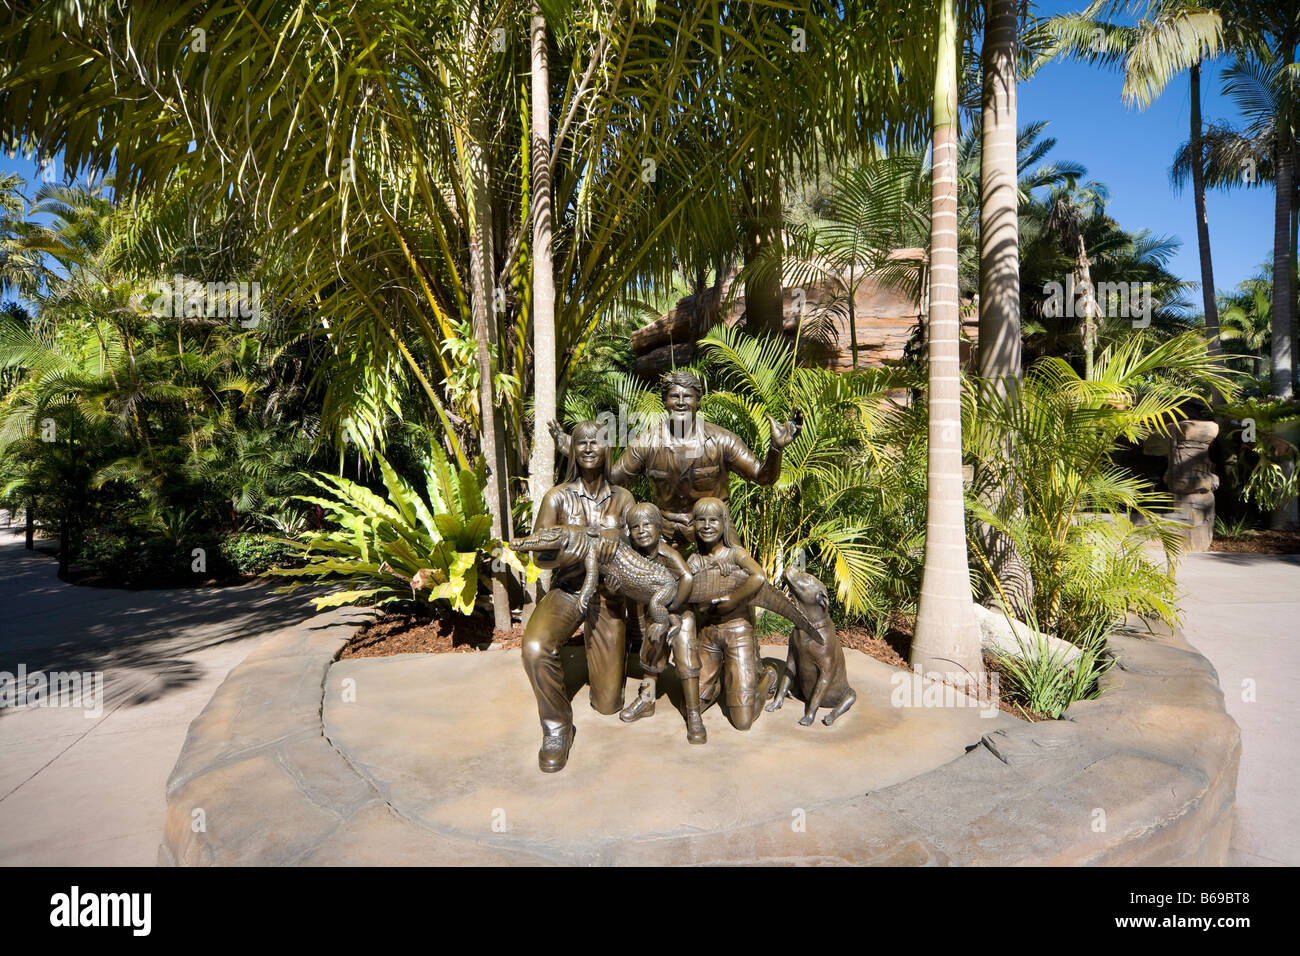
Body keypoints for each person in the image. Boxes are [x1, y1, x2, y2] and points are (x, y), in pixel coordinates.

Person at [551, 369, 802, 547]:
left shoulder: (723, 440)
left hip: (715, 524)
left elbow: (764, 478)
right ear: (665, 402)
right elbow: (612, 483)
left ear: (698, 402)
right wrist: (576, 452)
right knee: (645, 582)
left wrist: (776, 449)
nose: (681, 402)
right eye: (674, 396)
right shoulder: (646, 442)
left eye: (688, 396)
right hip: (665, 527)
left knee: (737, 576)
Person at [521, 421, 634, 772]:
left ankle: (600, 661)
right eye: (581, 443)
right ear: (572, 449)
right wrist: (573, 548)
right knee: (536, 647)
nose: (587, 448)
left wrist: (620, 545)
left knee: (608, 703)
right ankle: (557, 728)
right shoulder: (557, 497)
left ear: (606, 450)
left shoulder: (623, 499)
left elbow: (639, 551)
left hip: (607, 596)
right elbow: (539, 557)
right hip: (569, 591)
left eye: (596, 442)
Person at [618, 502, 706, 743]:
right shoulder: (634, 554)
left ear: (658, 527)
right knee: (651, 651)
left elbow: (687, 577)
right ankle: (646, 701)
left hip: (679, 610)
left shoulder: (667, 553)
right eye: (635, 527)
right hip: (657, 613)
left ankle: (694, 713)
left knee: (686, 654)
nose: (642, 530)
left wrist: (673, 609)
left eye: (647, 524)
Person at [687, 497, 777, 731]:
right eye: (701, 520)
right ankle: (720, 684)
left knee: (743, 721)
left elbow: (758, 577)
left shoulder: (735, 554)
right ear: (694, 524)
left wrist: (731, 597)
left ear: (724, 523)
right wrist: (709, 580)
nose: (707, 525)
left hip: (737, 630)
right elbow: (695, 603)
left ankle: (766, 680)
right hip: (708, 634)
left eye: (713, 520)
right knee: (691, 704)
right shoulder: (694, 560)